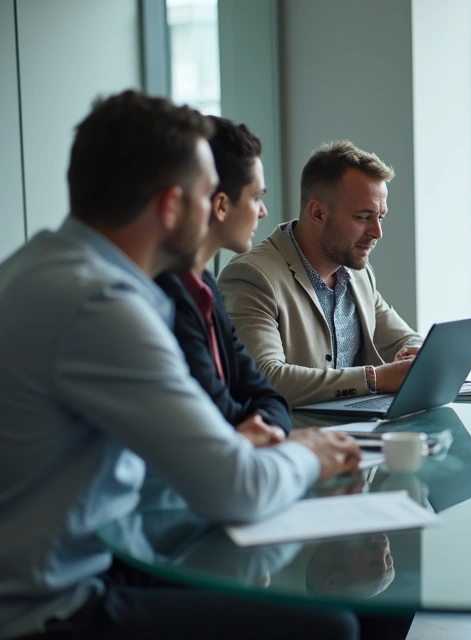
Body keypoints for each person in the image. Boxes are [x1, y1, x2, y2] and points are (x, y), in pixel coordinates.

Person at [0, 91, 409, 640]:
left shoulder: (44, 267)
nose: (223, 205)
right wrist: (306, 450)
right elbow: (236, 487)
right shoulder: (101, 306)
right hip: (55, 605)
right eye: (204, 193)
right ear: (173, 206)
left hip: (98, 554)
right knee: (327, 627)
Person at [218, 140, 423, 407]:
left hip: (356, 434)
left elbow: (405, 339)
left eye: (380, 217)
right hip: (293, 438)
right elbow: (266, 378)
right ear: (317, 213)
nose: (377, 232)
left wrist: (418, 355)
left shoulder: (358, 273)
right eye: (363, 217)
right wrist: (376, 378)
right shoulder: (251, 275)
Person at [154, 116, 291, 443]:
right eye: (256, 197)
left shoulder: (206, 286)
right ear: (221, 205)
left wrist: (258, 426)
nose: (263, 212)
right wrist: (252, 427)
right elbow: (216, 416)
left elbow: (271, 397)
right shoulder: (165, 295)